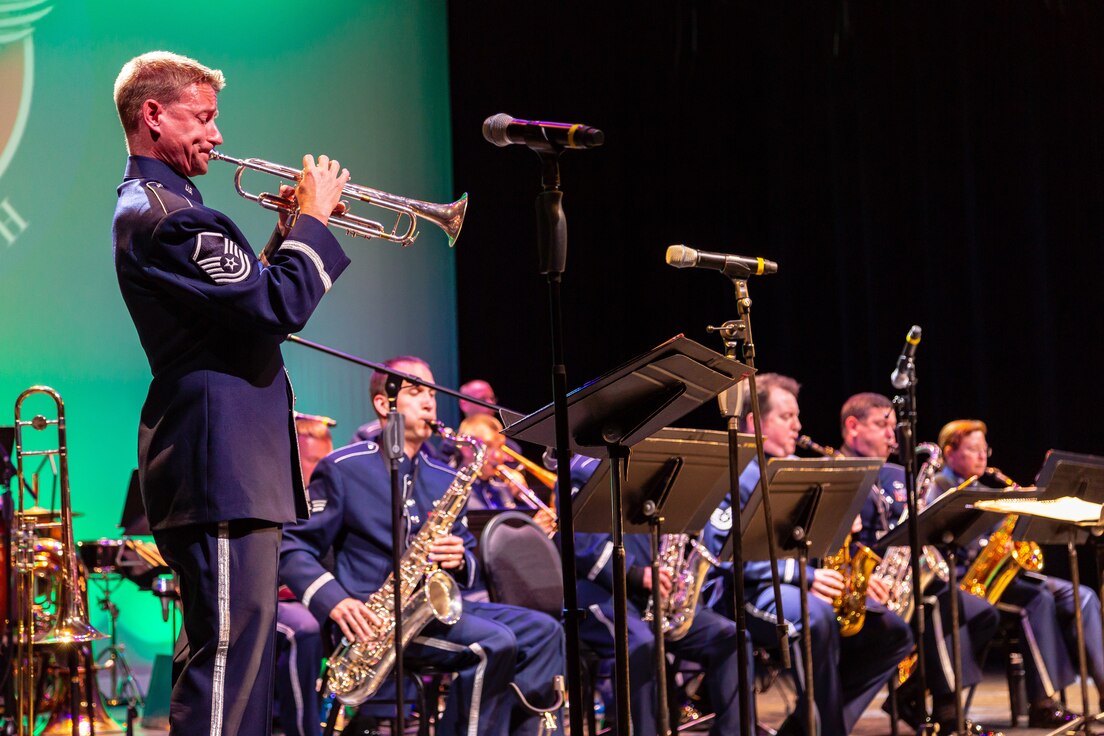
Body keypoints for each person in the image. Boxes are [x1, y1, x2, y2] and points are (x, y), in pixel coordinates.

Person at [112, 51, 350, 736]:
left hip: (229, 466)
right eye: (204, 118)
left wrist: (288, 232)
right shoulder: (169, 216)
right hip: (219, 467)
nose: (217, 136)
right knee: (225, 673)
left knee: (239, 673)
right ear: (153, 115)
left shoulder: (176, 208)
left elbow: (243, 309)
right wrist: (316, 221)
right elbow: (277, 308)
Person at [279, 356, 565, 735]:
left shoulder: (444, 476)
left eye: (431, 392)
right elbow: (292, 547)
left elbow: (468, 556)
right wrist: (335, 602)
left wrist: (459, 559)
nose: (430, 401)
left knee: (546, 631)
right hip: (372, 621)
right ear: (384, 404)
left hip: (431, 612)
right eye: (416, 392)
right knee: (493, 644)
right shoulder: (344, 468)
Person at [701, 374, 914, 736]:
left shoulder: (792, 469)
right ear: (754, 423)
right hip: (741, 593)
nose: (798, 426)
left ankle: (804, 728)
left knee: (892, 632)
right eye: (787, 417)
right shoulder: (734, 473)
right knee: (814, 618)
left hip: (795, 586)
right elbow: (723, 554)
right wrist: (807, 577)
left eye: (797, 416)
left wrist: (837, 536)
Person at [840, 394, 1002, 735]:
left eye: (892, 426)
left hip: (904, 578)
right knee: (939, 606)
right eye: (882, 425)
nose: (892, 435)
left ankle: (910, 694)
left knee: (983, 613)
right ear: (853, 427)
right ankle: (949, 716)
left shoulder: (900, 474)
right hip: (866, 585)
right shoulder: (839, 471)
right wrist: (856, 577)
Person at [930, 419, 1104, 728]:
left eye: (985, 450)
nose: (982, 456)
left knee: (1084, 595)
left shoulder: (985, 488)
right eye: (973, 449)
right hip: (969, 581)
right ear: (950, 452)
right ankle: (1043, 702)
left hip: (1006, 576)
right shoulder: (940, 489)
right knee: (1037, 600)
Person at [567, 457, 752, 736]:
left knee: (732, 638)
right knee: (642, 646)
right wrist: (634, 574)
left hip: (655, 595)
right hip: (602, 594)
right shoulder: (585, 469)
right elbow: (578, 543)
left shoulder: (652, 464)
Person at [274, 413, 336, 736]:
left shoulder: (330, 495)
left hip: (316, 597)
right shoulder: (276, 497)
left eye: (326, 461)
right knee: (305, 629)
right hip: (278, 600)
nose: (321, 470)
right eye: (312, 461)